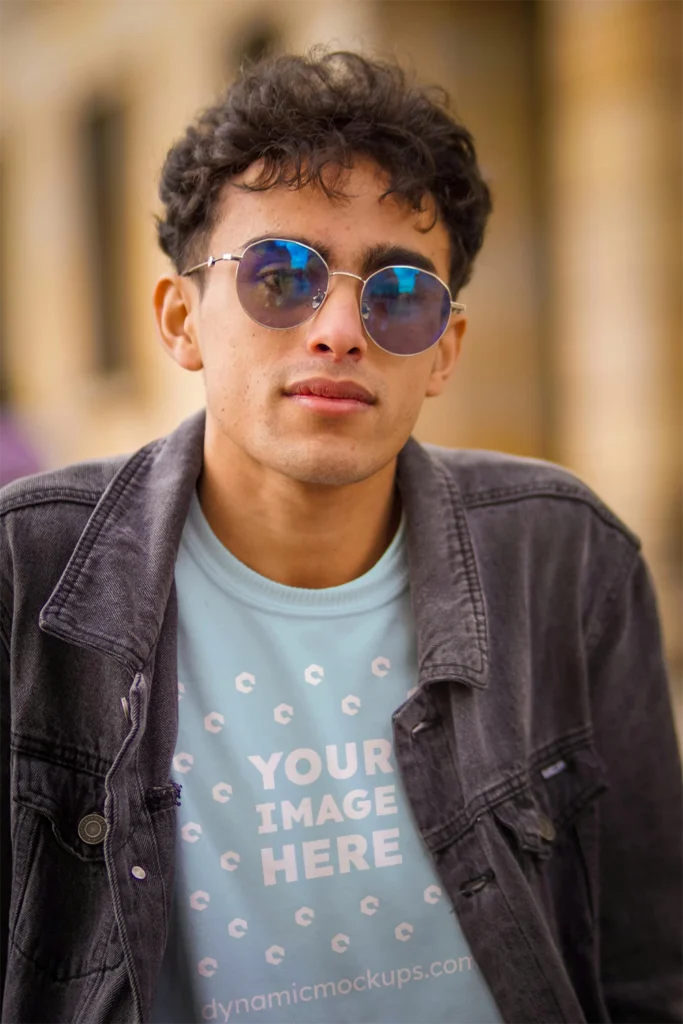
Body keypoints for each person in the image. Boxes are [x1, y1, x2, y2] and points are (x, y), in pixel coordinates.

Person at [1, 49, 681, 1024]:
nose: (337, 328)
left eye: (398, 293)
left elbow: (646, 971)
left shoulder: (563, 557)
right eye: (280, 276)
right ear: (180, 319)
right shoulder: (26, 574)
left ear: (442, 349)